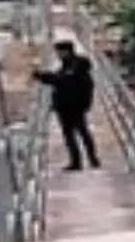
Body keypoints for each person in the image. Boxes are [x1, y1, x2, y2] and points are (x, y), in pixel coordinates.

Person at [34, 40, 100, 172]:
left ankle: (81, 161)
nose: (57, 55)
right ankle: (88, 160)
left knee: (76, 133)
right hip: (69, 106)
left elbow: (62, 81)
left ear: (65, 51)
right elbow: (61, 79)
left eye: (59, 52)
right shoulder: (72, 65)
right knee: (79, 133)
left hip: (72, 106)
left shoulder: (75, 67)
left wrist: (41, 76)